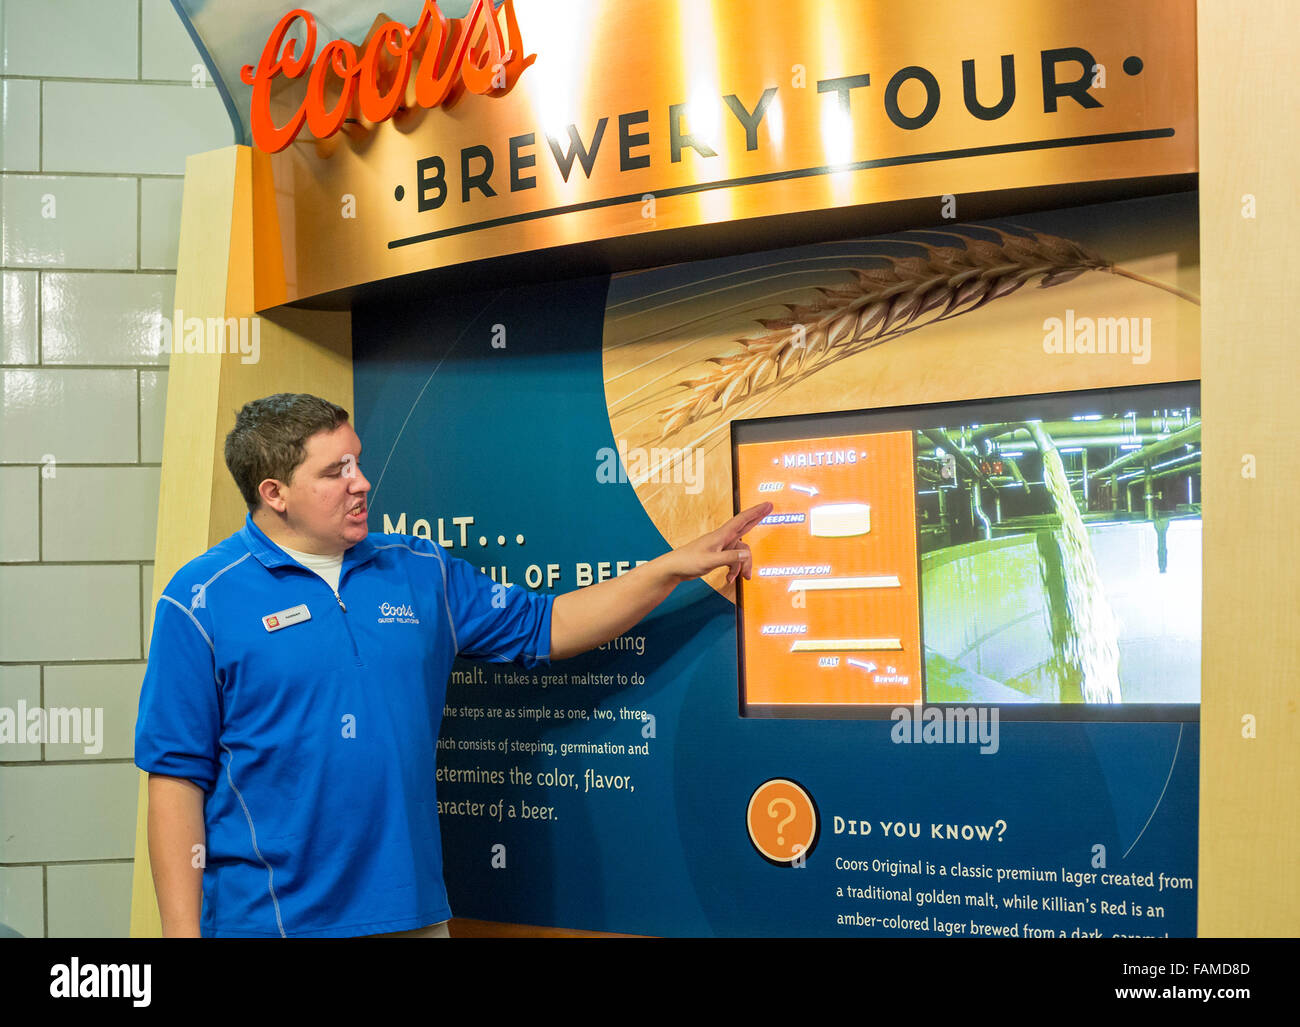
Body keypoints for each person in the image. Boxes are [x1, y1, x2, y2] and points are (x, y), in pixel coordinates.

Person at [135, 393, 770, 938]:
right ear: (274, 493)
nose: (361, 482)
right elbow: (174, 781)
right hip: (266, 921)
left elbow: (550, 625)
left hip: (410, 915)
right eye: (335, 472)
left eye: (358, 461)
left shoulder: (421, 571)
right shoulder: (201, 600)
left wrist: (669, 567)